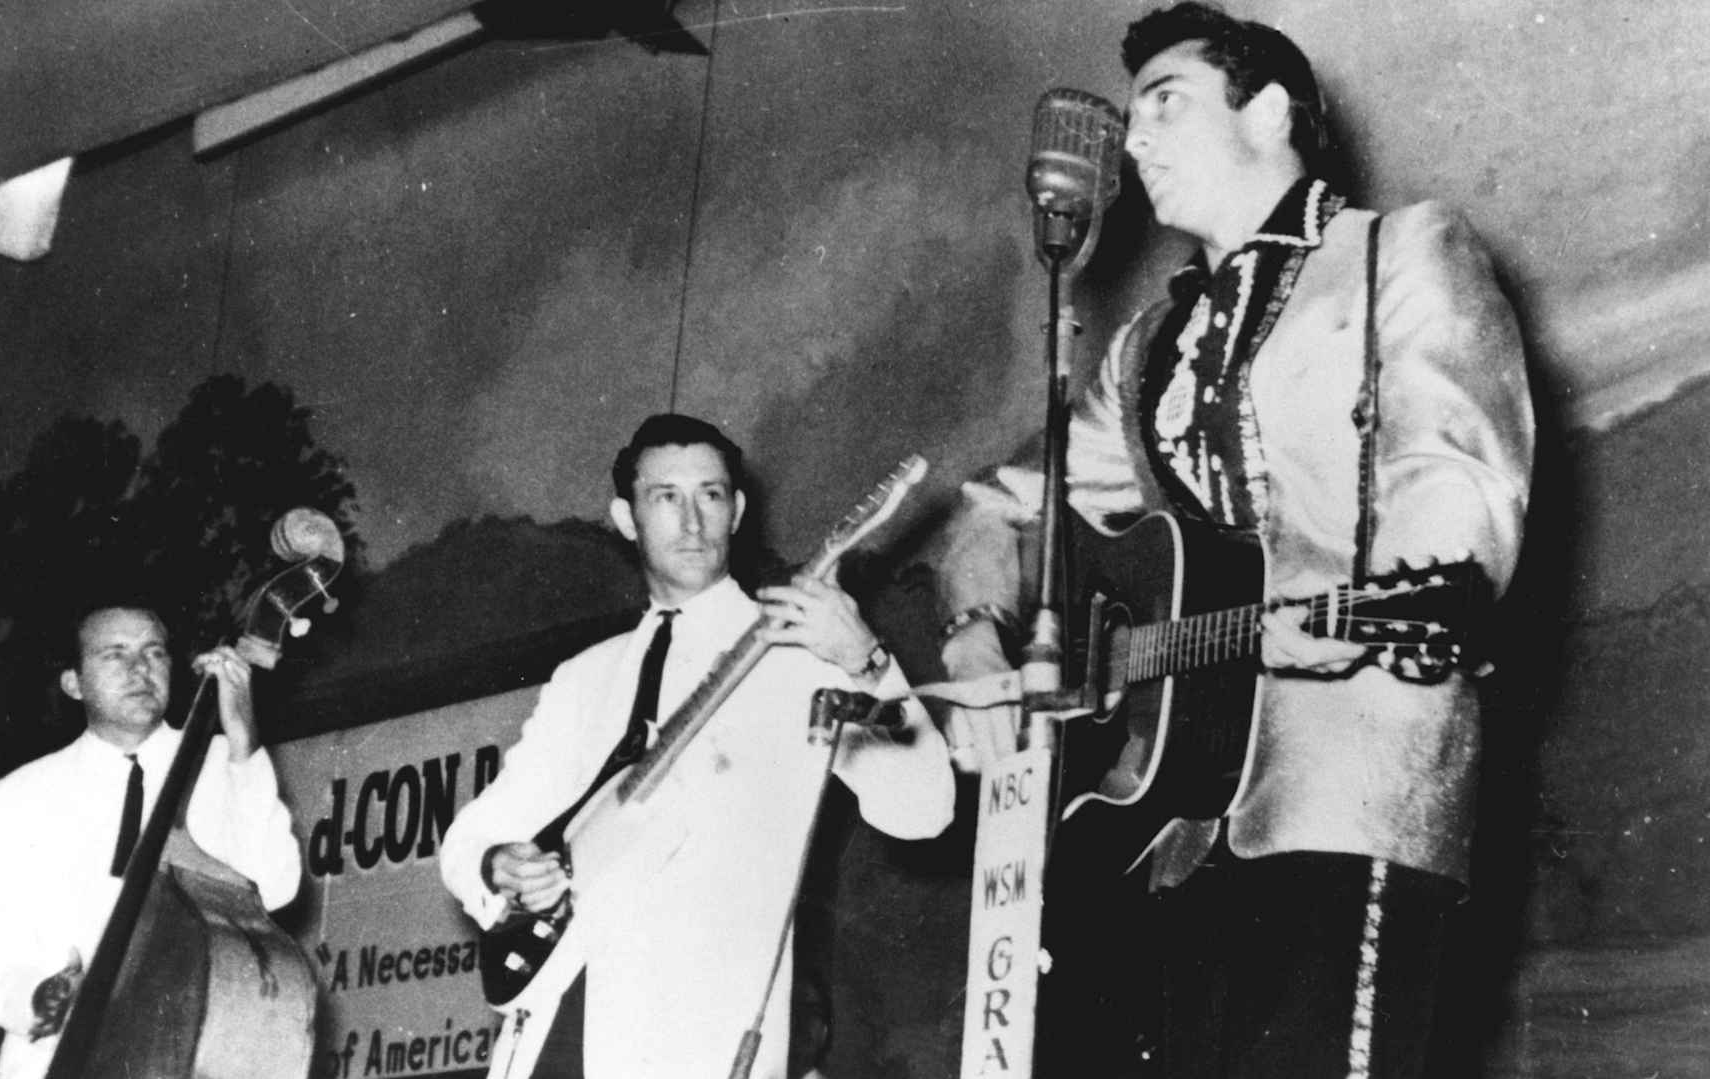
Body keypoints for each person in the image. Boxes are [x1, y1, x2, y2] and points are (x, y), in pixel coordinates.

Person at [934, 3, 1534, 1075]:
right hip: (1169, 816)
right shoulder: (1147, 345)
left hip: (1351, 778)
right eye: (1130, 118)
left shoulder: (1401, 251)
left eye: (1165, 104)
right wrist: (976, 629)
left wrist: (1376, 608)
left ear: (1267, 111)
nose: (1136, 141)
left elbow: (1451, 473)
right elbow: (998, 506)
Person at [440, 413, 954, 1079]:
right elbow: (474, 835)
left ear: (737, 510)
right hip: (554, 1025)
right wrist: (497, 863)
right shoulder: (583, 677)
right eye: (666, 497)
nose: (692, 522)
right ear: (625, 517)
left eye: (710, 495)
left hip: (695, 1043)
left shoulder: (802, 649)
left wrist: (867, 660)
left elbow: (925, 806)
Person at [0, 600, 303, 1079]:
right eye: (114, 654)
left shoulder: (226, 764)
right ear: (73, 683)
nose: (140, 668)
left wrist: (243, 739)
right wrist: (38, 999)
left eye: (154, 652)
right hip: (55, 1061)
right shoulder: (19, 797)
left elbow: (277, 886)